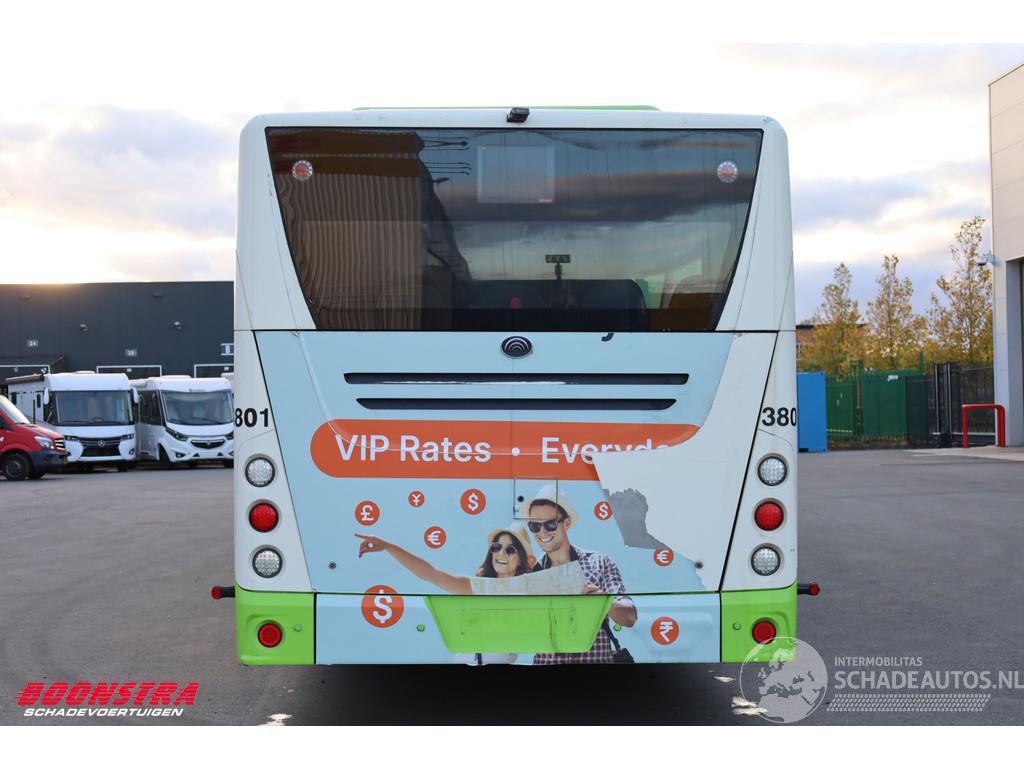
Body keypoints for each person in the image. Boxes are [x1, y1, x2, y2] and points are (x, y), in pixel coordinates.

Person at [355, 527, 536, 664]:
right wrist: (388, 546)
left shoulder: (527, 593)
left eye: (510, 549)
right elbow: (430, 573)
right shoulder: (476, 587)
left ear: (521, 558)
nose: (501, 553)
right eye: (496, 547)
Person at [520, 483, 637, 664]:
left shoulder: (599, 562)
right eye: (535, 526)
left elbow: (629, 618)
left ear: (566, 523)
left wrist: (603, 601)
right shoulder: (531, 573)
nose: (542, 532)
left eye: (550, 524)